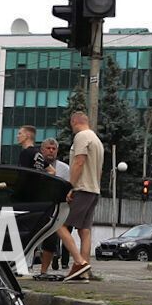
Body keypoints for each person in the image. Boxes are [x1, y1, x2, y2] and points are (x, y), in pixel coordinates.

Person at [57, 111, 104, 281]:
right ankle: (84, 272)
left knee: (59, 224)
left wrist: (70, 186)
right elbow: (99, 169)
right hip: (93, 189)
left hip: (81, 188)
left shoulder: (82, 136)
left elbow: (79, 162)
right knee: (85, 230)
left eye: (71, 124)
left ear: (75, 121)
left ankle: (79, 262)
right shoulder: (97, 140)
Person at [33, 139, 71, 279]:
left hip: (55, 208)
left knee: (50, 240)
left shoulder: (64, 169)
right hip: (36, 206)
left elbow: (69, 188)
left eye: (53, 149)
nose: (50, 151)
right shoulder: (36, 165)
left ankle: (44, 271)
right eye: (48, 148)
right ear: (42, 150)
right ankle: (25, 267)